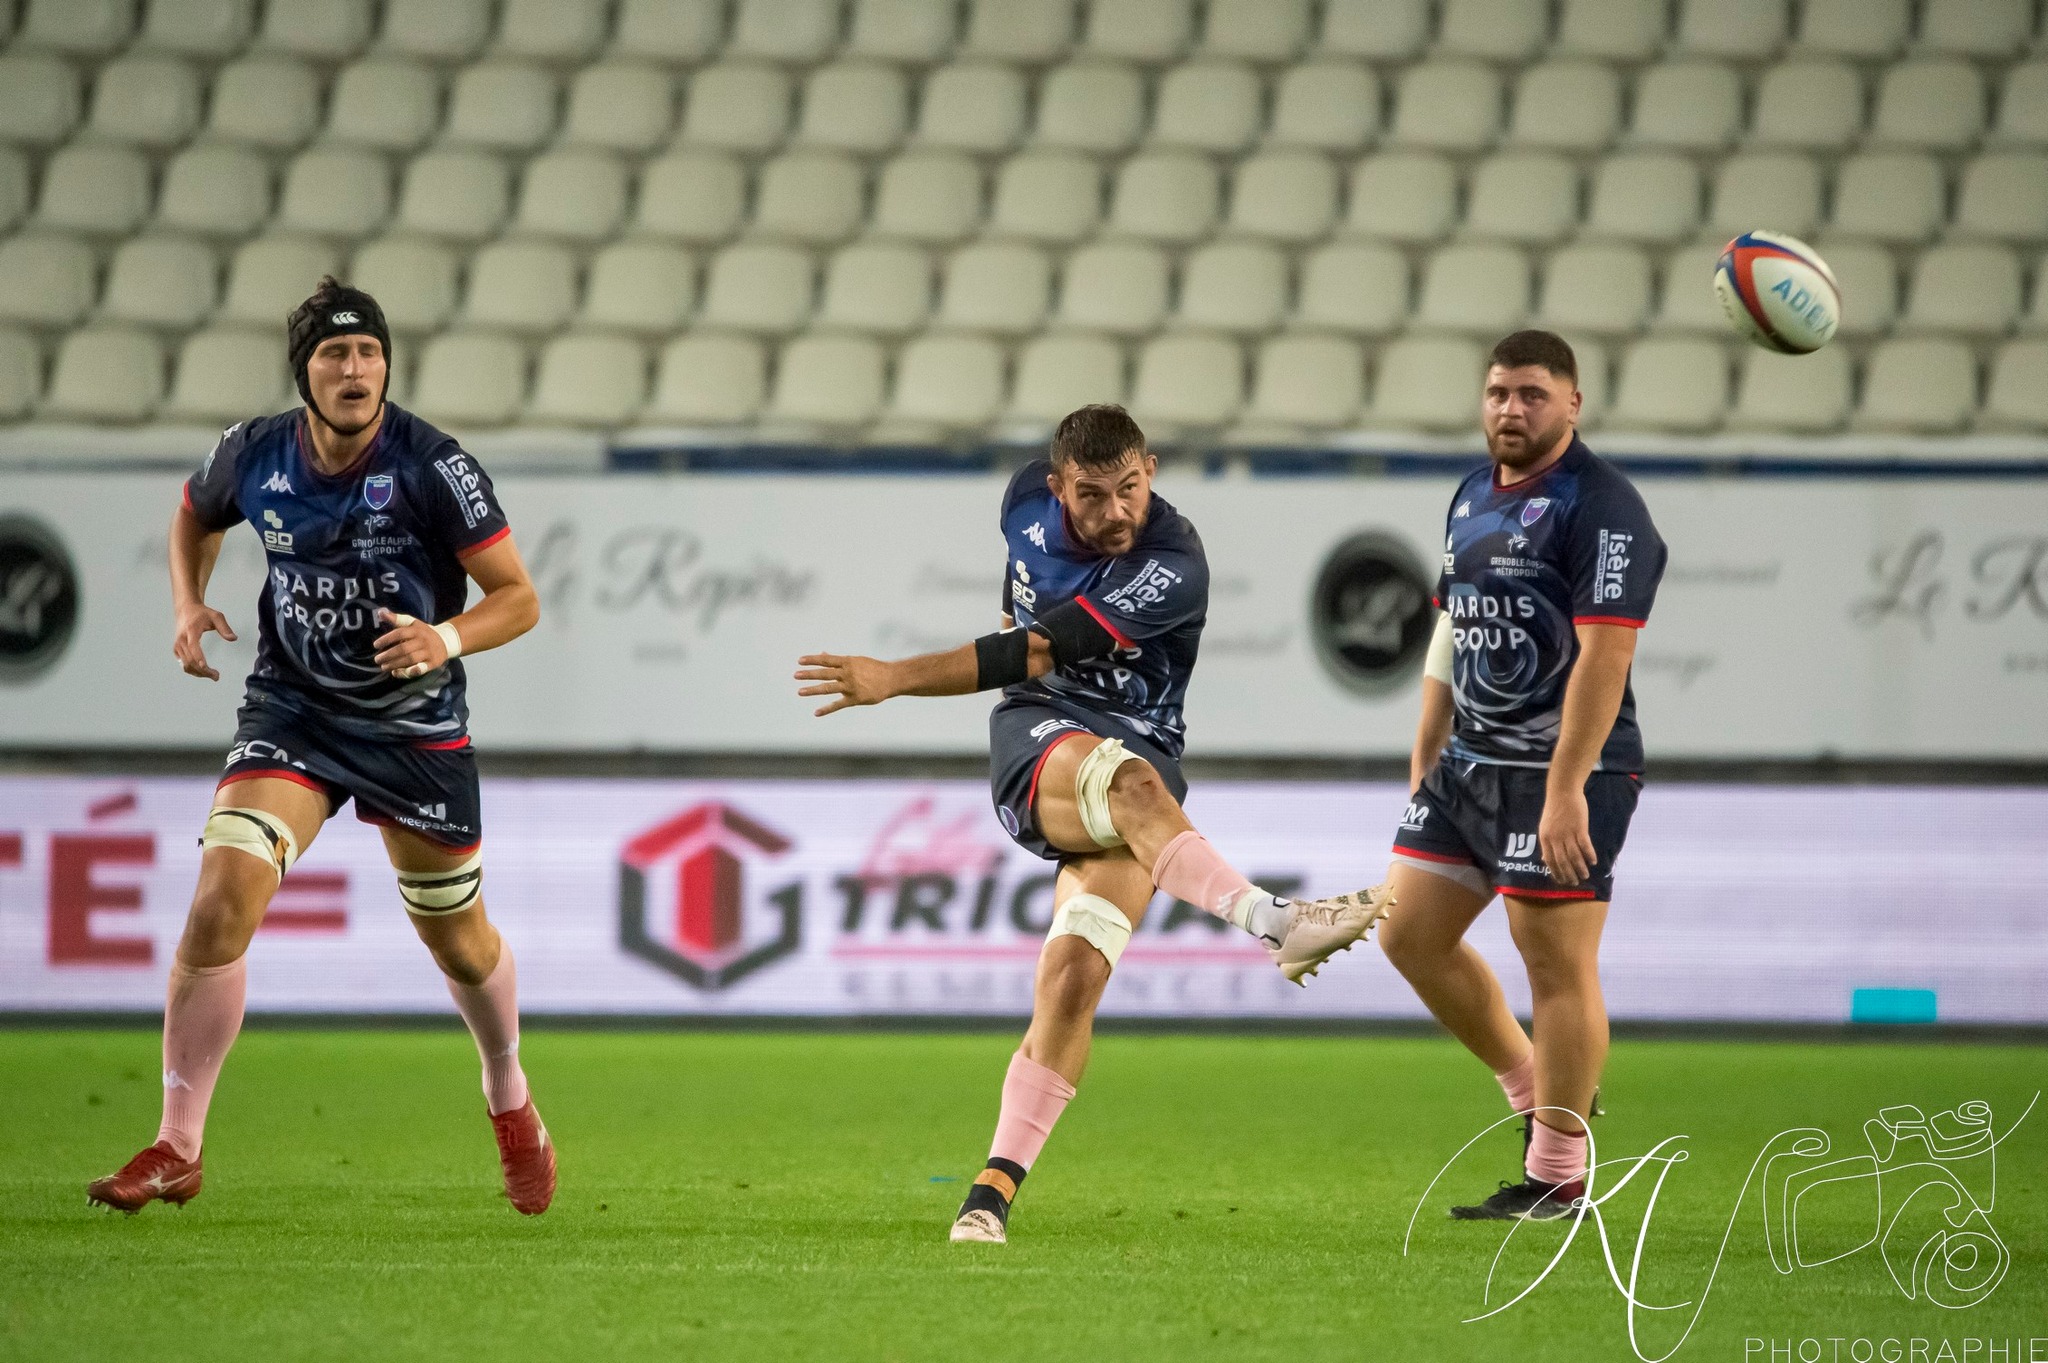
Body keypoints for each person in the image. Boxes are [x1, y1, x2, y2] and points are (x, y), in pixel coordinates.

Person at [795, 404, 1393, 1245]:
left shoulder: (1173, 561)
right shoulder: (1020, 504)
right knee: (1135, 787)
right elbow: (1029, 645)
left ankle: (989, 1195)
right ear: (1054, 485)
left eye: (1130, 489)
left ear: (1150, 468)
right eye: (1091, 495)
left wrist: (894, 675)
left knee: (1074, 974)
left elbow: (1037, 642)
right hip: (1039, 737)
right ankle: (1277, 922)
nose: (1116, 512)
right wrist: (919, 664)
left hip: (1137, 748)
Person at [87, 278, 555, 1215]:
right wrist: (187, 599)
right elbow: (194, 512)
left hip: (411, 728)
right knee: (220, 899)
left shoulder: (434, 466)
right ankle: (178, 1142)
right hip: (293, 712)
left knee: (460, 944)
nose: (355, 369)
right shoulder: (253, 452)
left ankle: (507, 1090)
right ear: (304, 372)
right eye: (336, 355)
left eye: (369, 352)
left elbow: (519, 597)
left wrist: (445, 638)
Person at [1378, 330, 1666, 1221]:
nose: (1512, 408)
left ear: (1573, 403)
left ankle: (1559, 1173)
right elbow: (1452, 629)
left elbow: (1606, 653)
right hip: (1471, 763)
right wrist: (1427, 748)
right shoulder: (1470, 494)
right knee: (1407, 935)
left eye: (1533, 393)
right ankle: (1536, 1084)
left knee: (1554, 962)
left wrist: (1568, 784)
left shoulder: (1603, 504)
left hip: (1563, 768)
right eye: (1499, 391)